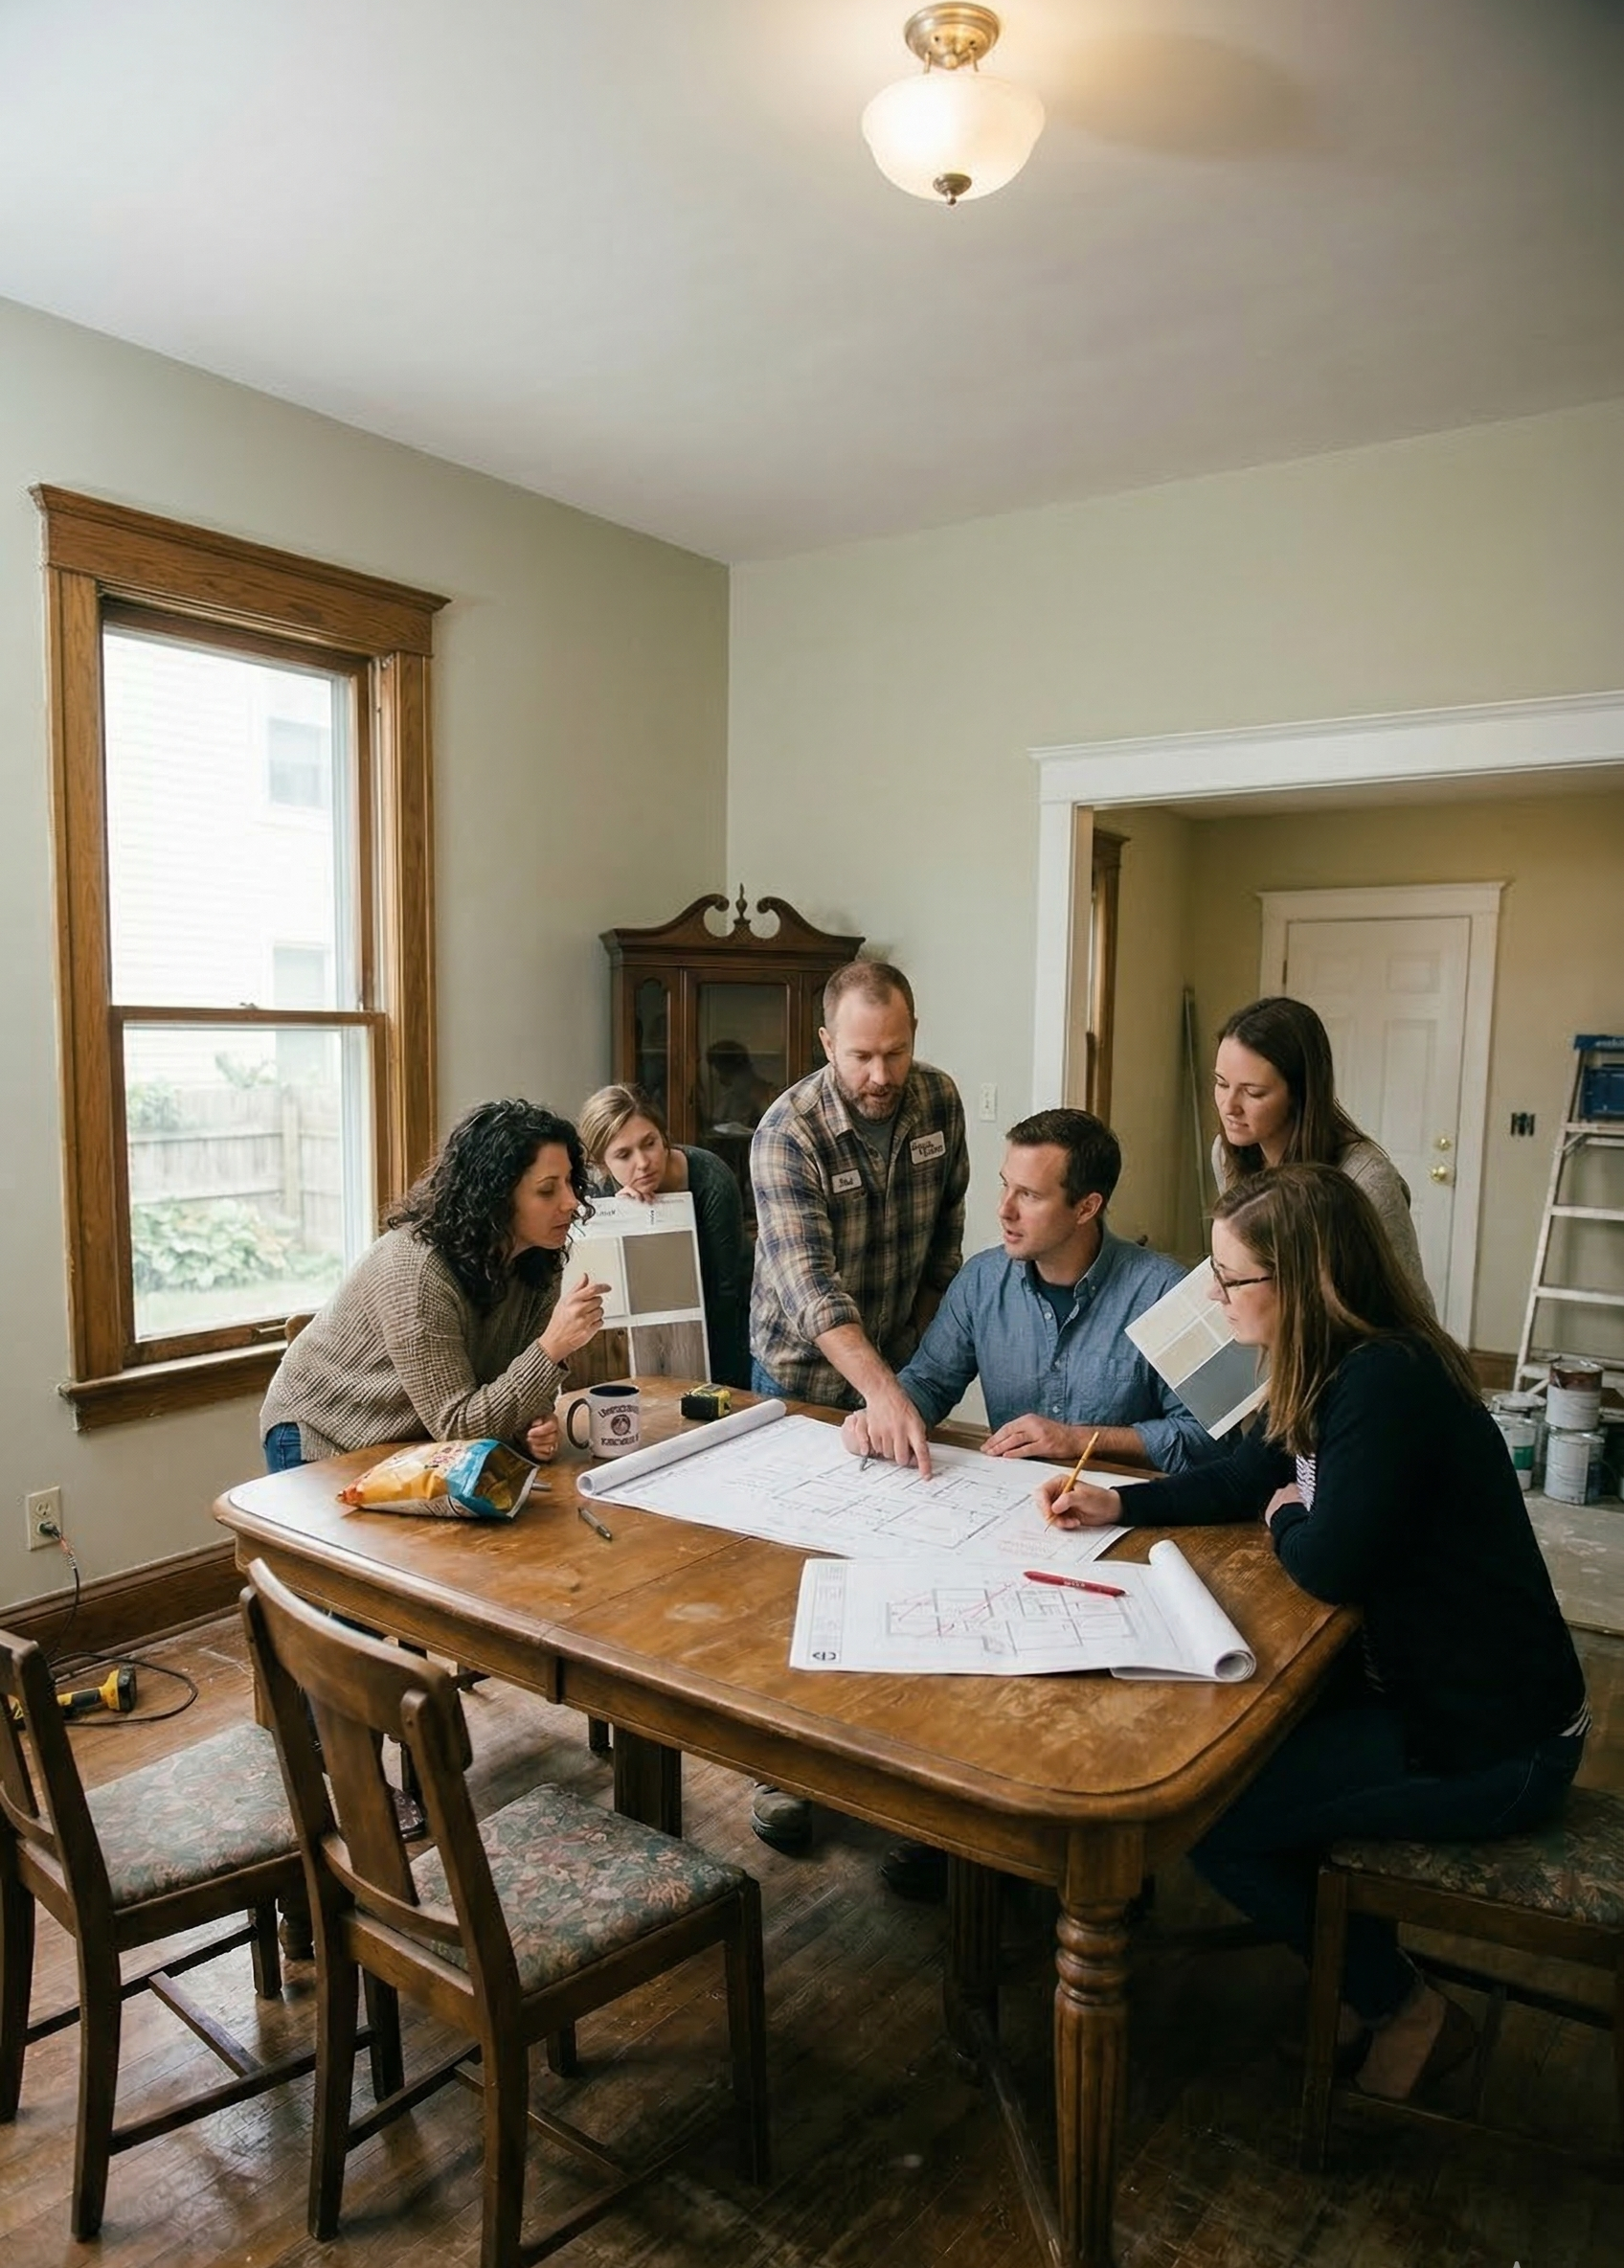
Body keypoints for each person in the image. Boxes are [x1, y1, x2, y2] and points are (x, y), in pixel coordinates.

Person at [1037, 1164, 1588, 2101]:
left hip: (1499, 1739)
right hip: (1436, 1697)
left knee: (1220, 1825)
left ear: (1302, 1281)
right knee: (1245, 1757)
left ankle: (1403, 2008)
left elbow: (1323, 1557)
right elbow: (1247, 1479)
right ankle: (1350, 1978)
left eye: (1229, 1278)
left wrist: (1290, 1517)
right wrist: (1116, 1501)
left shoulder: (1386, 1383)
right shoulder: (1334, 1361)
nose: (1211, 1298)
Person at [747, 958, 969, 1852]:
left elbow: (946, 1240)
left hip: (899, 1365)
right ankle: (782, 1764)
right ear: (828, 1043)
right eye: (863, 1058)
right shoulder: (785, 1133)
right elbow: (809, 1287)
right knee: (797, 1578)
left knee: (897, 1570)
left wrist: (913, 1370)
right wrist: (880, 1387)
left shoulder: (940, 1102)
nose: (881, 1078)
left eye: (897, 1053)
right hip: (804, 1372)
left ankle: (889, 1764)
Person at [845, 1107, 1220, 1478]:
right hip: (1012, 1506)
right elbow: (930, 1383)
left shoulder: (1169, 1291)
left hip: (1128, 1512)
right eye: (1005, 1184)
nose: (1004, 1209)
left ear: (1087, 1207)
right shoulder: (981, 1281)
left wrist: (1079, 1440)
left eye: (1029, 1195)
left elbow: (1210, 1440)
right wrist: (884, 1413)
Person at [260, 1099, 609, 1470]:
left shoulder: (539, 1258)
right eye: (547, 1190)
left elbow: (512, 1381)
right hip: (324, 1435)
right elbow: (458, 1424)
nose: (572, 1201)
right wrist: (553, 1346)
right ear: (495, 1197)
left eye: (571, 1182)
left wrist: (533, 1424)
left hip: (418, 1442)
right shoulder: (418, 1270)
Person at [1212, 995, 1432, 1306]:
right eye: (1221, 1084)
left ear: (1300, 1094)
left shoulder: (1367, 1181)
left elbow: (1411, 1311)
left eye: (1253, 1092)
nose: (1229, 1107)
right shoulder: (1226, 1153)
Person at [576, 1082, 753, 1390]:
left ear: (663, 1136)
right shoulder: (598, 1195)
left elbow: (726, 1292)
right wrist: (627, 1221)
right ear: (602, 1163)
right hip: (651, 1323)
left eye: (649, 1143)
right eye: (623, 1154)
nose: (643, 1163)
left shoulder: (710, 1178)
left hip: (727, 1312)